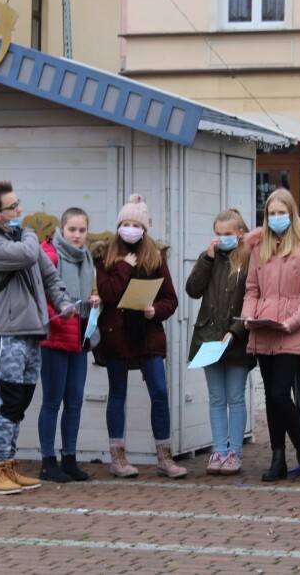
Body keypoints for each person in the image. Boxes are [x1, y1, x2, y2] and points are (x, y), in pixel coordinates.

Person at [0, 181, 74, 494]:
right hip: (6, 331)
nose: (21, 210)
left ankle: (10, 465)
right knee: (10, 400)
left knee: (21, 401)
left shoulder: (21, 238)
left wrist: (63, 302)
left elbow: (49, 274)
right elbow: (29, 253)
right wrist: (31, 232)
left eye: (20, 204)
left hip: (32, 329)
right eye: (14, 207)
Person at [92, 194, 185, 479]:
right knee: (117, 394)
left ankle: (164, 457)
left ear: (144, 228)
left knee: (159, 392)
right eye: (126, 223)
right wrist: (125, 266)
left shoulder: (155, 255)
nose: (130, 228)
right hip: (116, 335)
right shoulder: (104, 254)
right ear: (119, 225)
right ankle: (117, 457)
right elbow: (107, 293)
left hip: (147, 334)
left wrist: (154, 310)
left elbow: (171, 298)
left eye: (136, 224)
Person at [241, 188, 300, 485]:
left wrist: (293, 322)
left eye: (281, 213)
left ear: (292, 213)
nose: (276, 218)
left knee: (280, 393)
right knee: (271, 396)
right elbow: (252, 289)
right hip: (264, 327)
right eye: (271, 213)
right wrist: (250, 317)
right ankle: (278, 457)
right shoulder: (259, 247)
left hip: (293, 329)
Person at [185, 209, 253, 476]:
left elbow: (252, 298)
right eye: (218, 233)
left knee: (235, 396)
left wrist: (236, 329)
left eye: (227, 234)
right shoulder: (210, 259)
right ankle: (218, 450)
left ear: (239, 233)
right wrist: (207, 259)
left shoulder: (248, 258)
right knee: (216, 398)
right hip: (209, 338)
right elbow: (193, 289)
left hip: (237, 339)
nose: (222, 238)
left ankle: (234, 451)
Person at [37, 207, 102, 483]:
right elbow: (42, 295)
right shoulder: (49, 254)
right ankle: (48, 461)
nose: (77, 236)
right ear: (61, 229)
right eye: (72, 230)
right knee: (52, 401)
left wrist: (94, 300)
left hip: (80, 337)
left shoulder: (86, 257)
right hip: (55, 336)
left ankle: (70, 458)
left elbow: (89, 290)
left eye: (82, 230)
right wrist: (61, 311)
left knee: (74, 401)